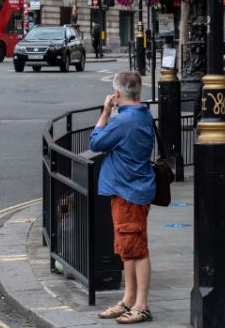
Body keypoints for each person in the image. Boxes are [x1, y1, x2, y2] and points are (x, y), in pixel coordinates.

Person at [89, 71, 156, 324]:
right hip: (129, 189)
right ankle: (129, 300)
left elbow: (95, 141)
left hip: (129, 190)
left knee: (137, 250)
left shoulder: (123, 121)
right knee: (127, 249)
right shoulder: (142, 114)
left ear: (116, 95)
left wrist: (105, 112)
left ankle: (141, 305)